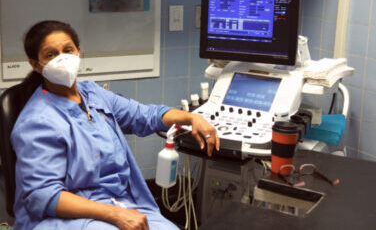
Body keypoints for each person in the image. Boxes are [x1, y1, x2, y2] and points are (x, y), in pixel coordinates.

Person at [10, 20, 220, 229]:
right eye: (50, 55)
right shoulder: (36, 122)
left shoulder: (92, 94)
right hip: (67, 217)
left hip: (120, 201)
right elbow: (44, 195)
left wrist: (191, 118)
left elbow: (144, 115)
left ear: (78, 52)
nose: (62, 59)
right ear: (36, 64)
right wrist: (115, 214)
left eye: (67, 50)